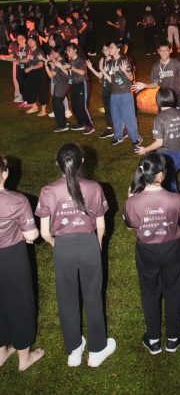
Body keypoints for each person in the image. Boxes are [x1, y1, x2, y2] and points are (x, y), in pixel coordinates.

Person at [36, 143, 116, 367]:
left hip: (63, 248)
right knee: (93, 297)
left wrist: (57, 245)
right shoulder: (94, 187)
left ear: (57, 164)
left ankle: (74, 349)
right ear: (82, 161)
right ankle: (97, 349)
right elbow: (101, 226)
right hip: (89, 244)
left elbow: (44, 232)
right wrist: (97, 245)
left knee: (66, 300)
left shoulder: (48, 191)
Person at [123, 153, 180, 355]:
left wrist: (130, 201)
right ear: (161, 175)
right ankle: (174, 337)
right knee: (174, 291)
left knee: (149, 293)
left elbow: (131, 226)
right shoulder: (175, 199)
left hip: (147, 251)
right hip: (172, 250)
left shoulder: (133, 201)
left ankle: (153, 339)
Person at [0, 155, 44, 371]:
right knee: (20, 304)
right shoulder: (17, 200)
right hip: (12, 257)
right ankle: (24, 359)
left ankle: (0, 354)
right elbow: (33, 234)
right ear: (4, 173)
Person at [136, 88, 180, 192]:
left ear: (158, 100)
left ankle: (173, 203)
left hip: (167, 157)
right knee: (170, 177)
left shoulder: (159, 118)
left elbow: (159, 142)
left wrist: (145, 149)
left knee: (168, 183)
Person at [100, 41, 142, 151]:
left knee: (128, 117)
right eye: (109, 47)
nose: (109, 49)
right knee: (116, 116)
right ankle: (118, 136)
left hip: (125, 92)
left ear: (118, 49)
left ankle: (135, 138)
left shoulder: (124, 60)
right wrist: (102, 70)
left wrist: (124, 70)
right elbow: (110, 79)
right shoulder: (110, 63)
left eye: (111, 47)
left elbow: (131, 78)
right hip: (114, 93)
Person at [132, 41, 180, 109]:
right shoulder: (156, 67)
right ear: (158, 51)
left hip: (176, 95)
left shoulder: (176, 64)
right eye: (161, 50)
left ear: (170, 50)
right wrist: (145, 85)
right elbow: (155, 84)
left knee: (176, 118)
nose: (164, 53)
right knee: (163, 118)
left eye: (166, 50)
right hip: (163, 97)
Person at [59, 43, 94, 135]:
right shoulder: (71, 61)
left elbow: (82, 72)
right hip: (74, 84)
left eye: (69, 50)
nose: (67, 52)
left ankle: (89, 126)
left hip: (82, 84)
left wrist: (70, 67)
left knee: (82, 106)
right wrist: (61, 67)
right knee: (74, 106)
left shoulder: (80, 60)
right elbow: (68, 73)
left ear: (75, 50)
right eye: (67, 50)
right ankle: (80, 123)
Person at [86, 44, 114, 139]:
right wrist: (91, 68)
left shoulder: (114, 61)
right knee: (107, 109)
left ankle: (122, 128)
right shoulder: (103, 60)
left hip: (114, 88)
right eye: (104, 49)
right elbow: (100, 75)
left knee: (116, 109)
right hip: (105, 88)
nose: (105, 51)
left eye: (107, 49)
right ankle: (109, 129)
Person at [43, 47, 70, 132]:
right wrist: (50, 62)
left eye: (53, 52)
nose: (52, 54)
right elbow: (56, 69)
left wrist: (45, 65)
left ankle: (62, 126)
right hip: (62, 86)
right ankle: (64, 122)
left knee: (57, 106)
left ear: (58, 54)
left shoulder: (60, 63)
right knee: (59, 105)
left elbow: (51, 75)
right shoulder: (61, 62)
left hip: (60, 87)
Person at [22, 37, 48, 116]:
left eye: (32, 41)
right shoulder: (29, 50)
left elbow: (41, 65)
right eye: (29, 41)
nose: (29, 42)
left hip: (39, 73)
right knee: (29, 89)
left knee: (41, 91)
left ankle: (43, 110)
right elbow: (27, 59)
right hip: (31, 73)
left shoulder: (39, 51)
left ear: (36, 42)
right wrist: (20, 61)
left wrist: (30, 68)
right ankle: (34, 107)